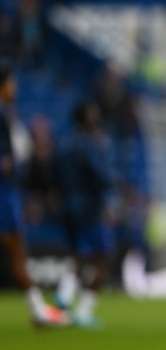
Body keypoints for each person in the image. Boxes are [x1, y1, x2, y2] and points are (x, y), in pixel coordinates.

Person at [0, 63, 67, 327]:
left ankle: (39, 309)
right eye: (11, 83)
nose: (14, 88)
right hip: (3, 193)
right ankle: (39, 311)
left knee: (17, 249)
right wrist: (14, 163)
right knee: (18, 249)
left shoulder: (7, 115)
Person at [54, 100, 116, 328]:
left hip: (68, 206)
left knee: (82, 254)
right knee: (103, 255)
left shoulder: (64, 143)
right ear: (85, 118)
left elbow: (55, 173)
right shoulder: (92, 143)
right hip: (90, 206)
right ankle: (82, 309)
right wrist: (110, 194)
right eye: (92, 113)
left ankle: (65, 292)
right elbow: (101, 175)